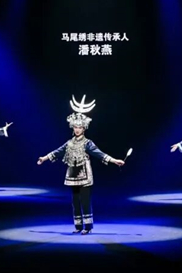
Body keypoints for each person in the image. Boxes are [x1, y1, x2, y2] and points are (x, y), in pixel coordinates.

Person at [37, 95, 125, 234]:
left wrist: (114, 160)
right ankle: (78, 226)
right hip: (72, 175)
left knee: (85, 200)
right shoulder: (69, 143)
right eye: (76, 127)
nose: (77, 129)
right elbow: (58, 151)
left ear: (84, 128)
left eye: (80, 127)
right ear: (73, 128)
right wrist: (44, 158)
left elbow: (99, 154)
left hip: (84, 175)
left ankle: (88, 227)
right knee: (75, 201)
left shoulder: (87, 143)